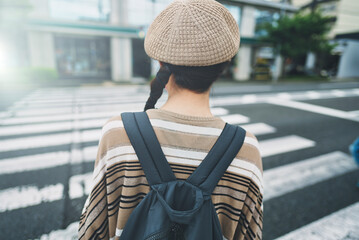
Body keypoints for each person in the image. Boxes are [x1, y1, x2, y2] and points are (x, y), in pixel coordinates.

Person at [78, 0, 263, 239]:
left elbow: (93, 229)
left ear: (161, 63)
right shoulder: (246, 148)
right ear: (224, 66)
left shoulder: (117, 132)